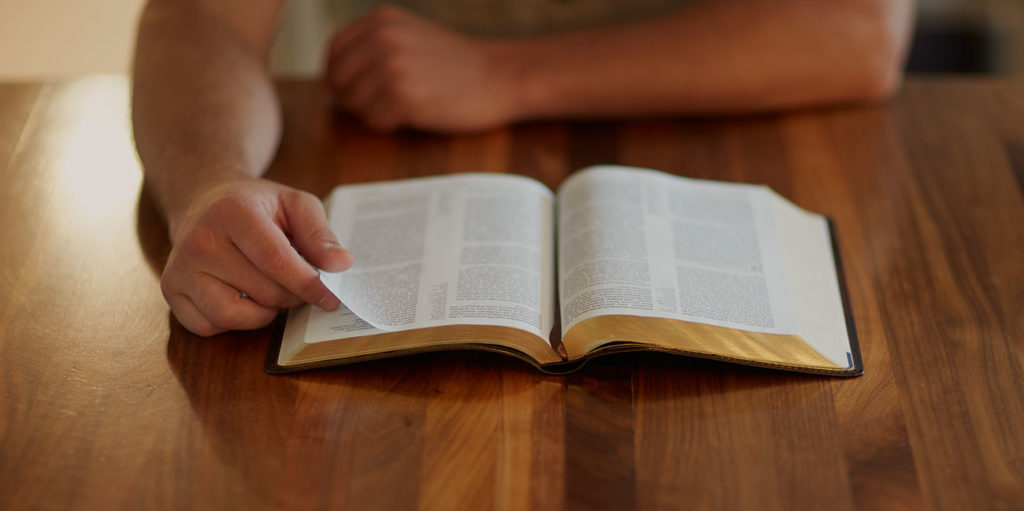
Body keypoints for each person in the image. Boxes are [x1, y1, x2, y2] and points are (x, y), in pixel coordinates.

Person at [132, 0, 915, 336]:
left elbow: (858, 30)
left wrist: (505, 75)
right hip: (386, 143)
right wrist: (211, 179)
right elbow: (200, 17)